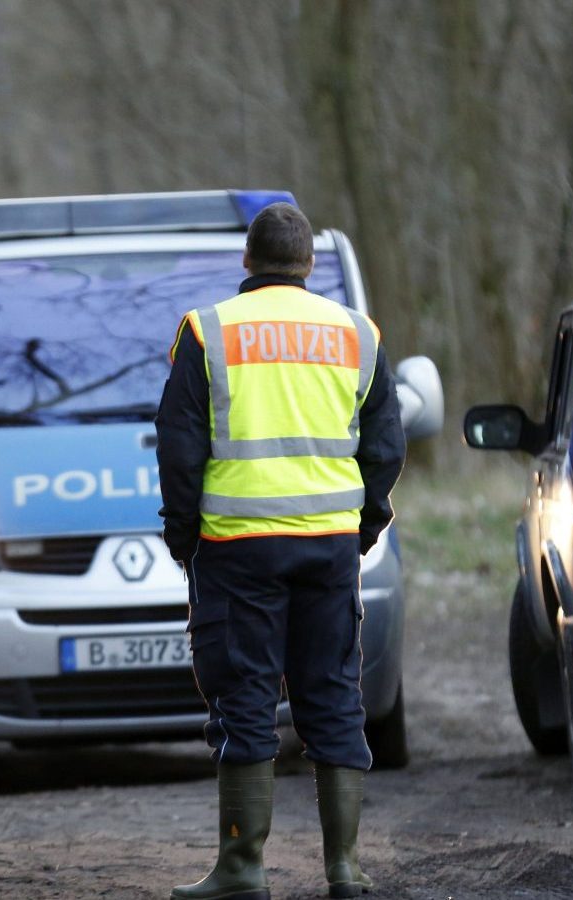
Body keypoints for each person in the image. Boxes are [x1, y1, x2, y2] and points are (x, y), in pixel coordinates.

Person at [155, 203, 406, 899]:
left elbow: (179, 449)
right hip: (327, 548)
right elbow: (385, 446)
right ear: (308, 266)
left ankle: (242, 869)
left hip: (236, 549)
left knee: (244, 699)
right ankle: (346, 869)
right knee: (331, 693)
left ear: (248, 261)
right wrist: (361, 529)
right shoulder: (358, 334)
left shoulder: (207, 331)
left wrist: (186, 541)